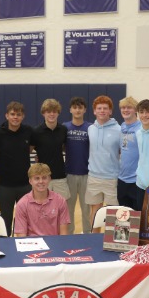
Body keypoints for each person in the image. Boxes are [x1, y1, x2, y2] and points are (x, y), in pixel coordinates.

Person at [0, 101, 33, 235]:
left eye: (18, 114)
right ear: (7, 115)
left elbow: (31, 148)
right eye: (12, 114)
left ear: (23, 116)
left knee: (24, 220)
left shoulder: (28, 131)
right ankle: (5, 245)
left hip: (25, 185)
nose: (15, 117)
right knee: (5, 220)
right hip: (5, 186)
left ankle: (23, 244)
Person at [86, 95, 121, 232]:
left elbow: (122, 152)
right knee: (95, 211)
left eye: (105, 108)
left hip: (112, 177)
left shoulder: (119, 129)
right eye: (99, 108)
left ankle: (111, 240)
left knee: (113, 212)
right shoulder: (90, 129)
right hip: (94, 176)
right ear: (94, 111)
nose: (102, 111)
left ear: (110, 111)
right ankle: (94, 239)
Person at [14, 163, 70, 237]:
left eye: (44, 178)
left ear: (49, 179)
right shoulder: (22, 204)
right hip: (32, 243)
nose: (41, 181)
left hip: (54, 242)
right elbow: (21, 237)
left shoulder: (60, 201)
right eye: (37, 178)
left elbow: (64, 235)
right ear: (30, 181)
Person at [31, 99, 70, 201]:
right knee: (42, 207)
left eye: (54, 111)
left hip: (60, 176)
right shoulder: (36, 131)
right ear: (43, 113)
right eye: (48, 111)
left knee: (61, 206)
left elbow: (64, 148)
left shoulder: (63, 130)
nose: (52, 114)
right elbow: (29, 150)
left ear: (58, 113)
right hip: (42, 177)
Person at [63, 96, 91, 234]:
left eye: (80, 107)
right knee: (69, 209)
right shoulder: (65, 127)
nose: (78, 110)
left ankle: (87, 234)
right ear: (70, 110)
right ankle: (69, 236)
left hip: (87, 174)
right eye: (75, 107)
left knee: (86, 209)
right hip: (69, 174)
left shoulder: (90, 127)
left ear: (85, 110)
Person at [117, 96, 141, 209]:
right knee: (123, 216)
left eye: (129, 107)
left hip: (136, 181)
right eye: (123, 107)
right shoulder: (122, 126)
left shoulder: (141, 128)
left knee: (137, 216)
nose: (125, 110)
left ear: (136, 110)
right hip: (122, 179)